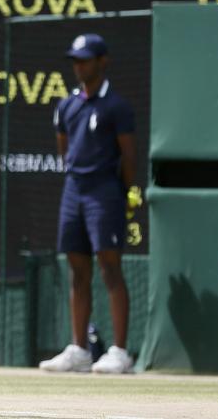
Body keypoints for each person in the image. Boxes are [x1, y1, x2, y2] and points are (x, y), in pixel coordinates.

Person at [40, 34, 138, 374]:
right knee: (77, 270)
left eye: (85, 59)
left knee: (110, 268)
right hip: (74, 190)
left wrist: (126, 193)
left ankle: (120, 352)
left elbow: (128, 156)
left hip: (105, 191)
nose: (79, 66)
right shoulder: (67, 105)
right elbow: (64, 148)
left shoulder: (117, 107)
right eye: (75, 60)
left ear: (102, 61)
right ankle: (80, 349)